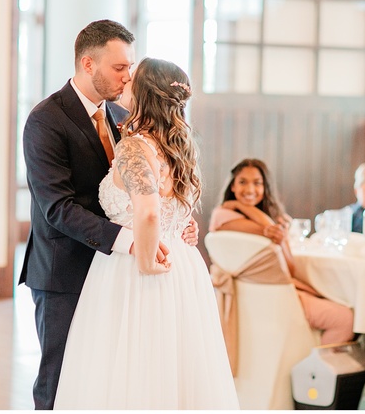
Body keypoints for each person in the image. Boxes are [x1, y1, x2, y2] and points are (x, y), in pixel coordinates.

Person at [19, 20, 198, 410]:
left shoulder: (124, 114)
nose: (128, 76)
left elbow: (146, 187)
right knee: (61, 380)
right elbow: (57, 207)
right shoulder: (46, 120)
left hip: (119, 275)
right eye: (119, 67)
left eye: (130, 67)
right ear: (88, 64)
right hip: (66, 269)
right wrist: (131, 241)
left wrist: (177, 221)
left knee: (109, 379)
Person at [53, 57, 238, 409]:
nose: (125, 81)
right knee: (174, 366)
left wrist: (147, 260)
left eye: (133, 77)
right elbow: (175, 207)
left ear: (146, 93)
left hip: (139, 266)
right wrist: (182, 225)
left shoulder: (135, 146)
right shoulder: (179, 144)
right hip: (182, 267)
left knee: (132, 367)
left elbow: (150, 211)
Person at [209, 158, 355, 345]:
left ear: (266, 188)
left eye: (257, 183)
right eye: (243, 182)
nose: (250, 189)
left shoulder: (270, 221)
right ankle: (313, 364)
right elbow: (268, 228)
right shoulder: (223, 215)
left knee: (342, 305)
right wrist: (243, 207)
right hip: (270, 297)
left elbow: (290, 269)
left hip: (270, 294)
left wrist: (244, 207)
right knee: (346, 320)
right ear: (233, 186)